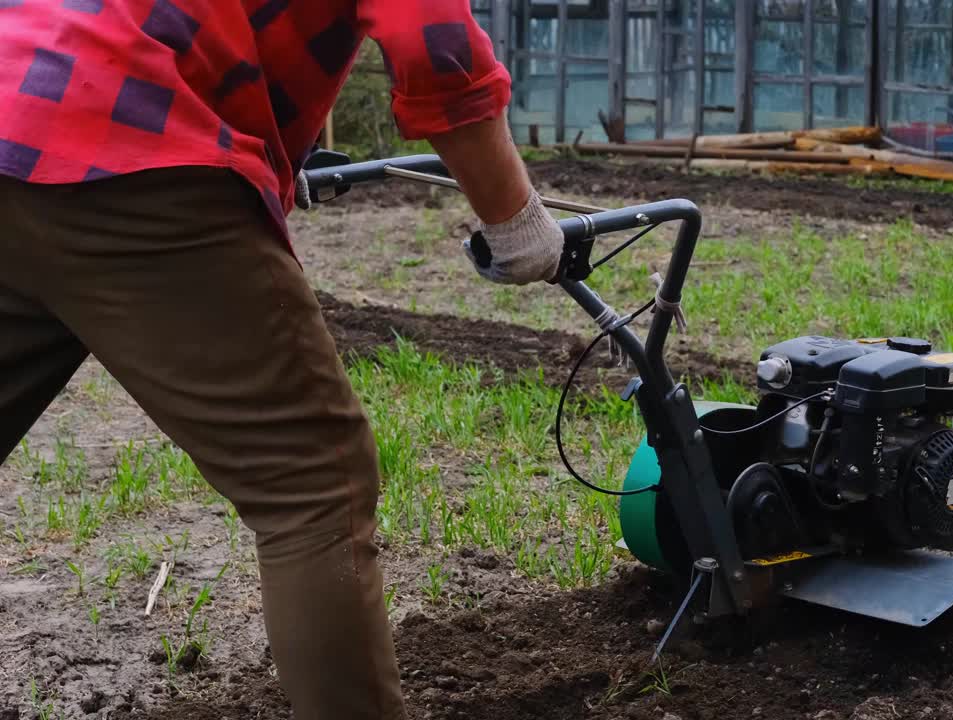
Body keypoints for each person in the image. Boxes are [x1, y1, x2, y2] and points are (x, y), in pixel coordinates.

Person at [0, 1, 562, 718]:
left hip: (11, 101)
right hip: (127, 138)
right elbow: (434, 40)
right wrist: (514, 219)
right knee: (315, 485)